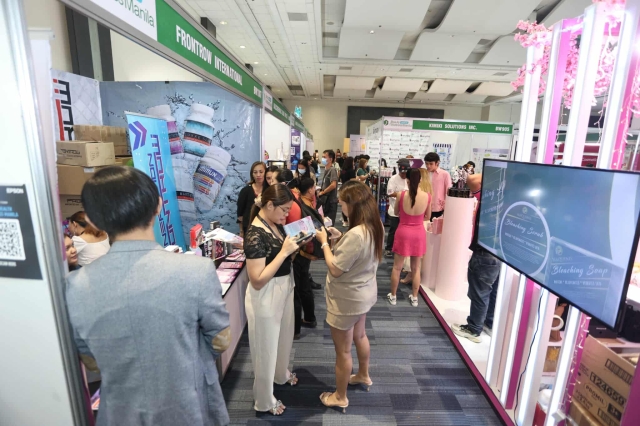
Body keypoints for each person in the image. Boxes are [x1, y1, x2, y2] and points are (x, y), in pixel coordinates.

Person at [66, 166, 231, 426]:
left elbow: (92, 361)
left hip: (119, 413)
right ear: (158, 206)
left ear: (93, 221)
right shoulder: (196, 270)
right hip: (187, 406)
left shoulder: (74, 285)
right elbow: (220, 340)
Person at [315, 180, 383, 412]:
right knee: (360, 335)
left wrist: (325, 243)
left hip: (347, 299)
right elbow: (358, 252)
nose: (341, 207)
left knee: (343, 350)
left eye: (343, 203)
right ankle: (363, 374)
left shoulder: (357, 234)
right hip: (364, 294)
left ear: (352, 205)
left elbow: (335, 268)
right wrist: (340, 237)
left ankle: (340, 396)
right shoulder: (375, 225)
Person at [244, 184, 300, 415]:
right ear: (269, 205)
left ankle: (280, 374)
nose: (286, 215)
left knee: (284, 336)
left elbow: (283, 259)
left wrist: (292, 249)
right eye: (284, 210)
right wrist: (284, 252)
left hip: (285, 287)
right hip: (266, 294)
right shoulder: (255, 234)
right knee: (265, 348)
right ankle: (264, 400)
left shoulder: (274, 224)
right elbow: (257, 279)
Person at [452, 173, 500, 343]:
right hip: (498, 252)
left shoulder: (491, 197)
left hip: (485, 250)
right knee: (491, 290)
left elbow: (472, 179)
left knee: (480, 291)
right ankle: (488, 323)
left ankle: (474, 328)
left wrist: (498, 171)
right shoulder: (510, 200)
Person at [388, 168, 431, 307]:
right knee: (416, 268)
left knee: (397, 267)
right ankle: (415, 298)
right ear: (420, 180)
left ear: (407, 180)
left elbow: (396, 212)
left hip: (403, 231)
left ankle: (393, 296)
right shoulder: (427, 196)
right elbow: (428, 216)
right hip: (418, 233)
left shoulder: (401, 195)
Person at [282, 176, 318, 339]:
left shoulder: (291, 203)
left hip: (297, 251)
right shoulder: (298, 200)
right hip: (303, 250)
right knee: (303, 285)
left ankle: (295, 329)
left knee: (296, 290)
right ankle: (309, 318)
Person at [384, 159, 410, 258]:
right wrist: (403, 195)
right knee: (393, 230)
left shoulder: (409, 179)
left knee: (404, 231)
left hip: (406, 210)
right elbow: (390, 193)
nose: (404, 175)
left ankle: (401, 247)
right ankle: (388, 248)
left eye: (405, 173)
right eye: (402, 173)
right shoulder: (393, 179)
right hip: (395, 209)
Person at [237, 161, 267, 236]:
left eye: (261, 172)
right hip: (248, 228)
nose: (258, 175)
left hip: (265, 227)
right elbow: (240, 214)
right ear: (252, 174)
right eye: (255, 172)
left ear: (265, 173)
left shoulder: (269, 190)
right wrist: (241, 231)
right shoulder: (245, 190)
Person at [423, 152, 452, 220]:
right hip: (424, 206)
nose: (428, 166)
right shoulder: (424, 173)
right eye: (426, 163)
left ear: (437, 163)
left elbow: (448, 191)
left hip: (438, 208)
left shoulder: (445, 174)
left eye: (431, 164)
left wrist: (446, 207)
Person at [318, 149, 339, 225]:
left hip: (331, 201)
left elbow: (333, 185)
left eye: (324, 157)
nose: (322, 159)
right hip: (326, 201)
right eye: (322, 157)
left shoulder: (332, 170)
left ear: (330, 159)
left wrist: (323, 192)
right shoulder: (326, 169)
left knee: (329, 223)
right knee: (325, 222)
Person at [340, 157, 356, 227]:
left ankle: (345, 220)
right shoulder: (351, 171)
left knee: (344, 204)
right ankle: (350, 220)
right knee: (350, 205)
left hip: (343, 188)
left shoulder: (343, 170)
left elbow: (341, 179)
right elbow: (353, 181)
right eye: (353, 162)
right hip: (349, 189)